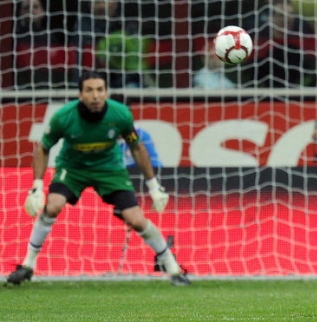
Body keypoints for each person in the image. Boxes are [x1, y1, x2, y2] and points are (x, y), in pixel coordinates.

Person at [6, 71, 190, 286]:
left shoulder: (120, 114)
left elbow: (137, 148)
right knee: (52, 206)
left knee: (136, 220)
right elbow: (43, 148)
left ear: (106, 92)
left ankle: (172, 267)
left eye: (100, 90)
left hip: (109, 169)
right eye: (89, 90)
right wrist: (37, 186)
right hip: (72, 168)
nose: (95, 96)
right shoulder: (63, 117)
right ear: (80, 94)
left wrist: (154, 186)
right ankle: (28, 265)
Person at [14, 0, 66, 88]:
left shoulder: (50, 37)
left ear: (43, 11)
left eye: (35, 7)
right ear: (20, 13)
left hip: (46, 87)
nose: (31, 10)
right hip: (21, 88)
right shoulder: (14, 38)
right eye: (26, 8)